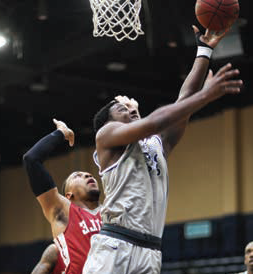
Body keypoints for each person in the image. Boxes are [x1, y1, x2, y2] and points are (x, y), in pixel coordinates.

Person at [82, 25, 243, 274]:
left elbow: (183, 99)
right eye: (122, 110)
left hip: (151, 251)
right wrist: (206, 96)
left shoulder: (158, 144)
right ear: (109, 122)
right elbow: (156, 121)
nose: (131, 109)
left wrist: (204, 50)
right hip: (116, 247)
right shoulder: (106, 136)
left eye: (133, 107)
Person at [23, 119, 102, 274]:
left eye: (89, 174)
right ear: (68, 195)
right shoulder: (63, 211)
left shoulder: (111, 212)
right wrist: (61, 133)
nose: (87, 175)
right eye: (78, 175)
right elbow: (31, 160)